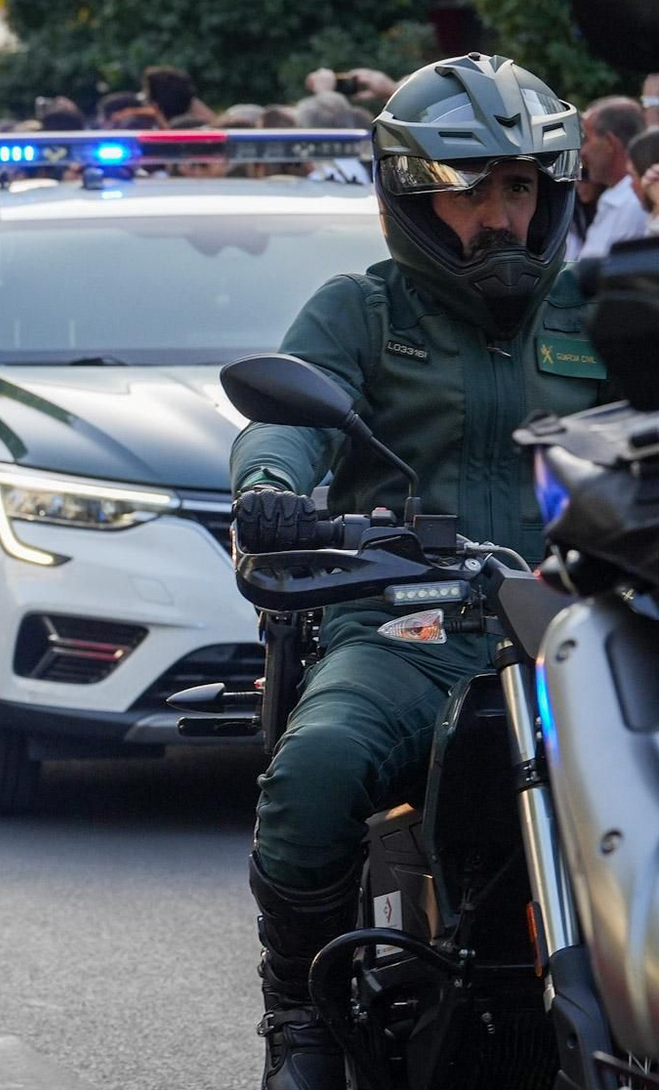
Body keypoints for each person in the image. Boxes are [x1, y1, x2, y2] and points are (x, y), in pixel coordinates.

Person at [228, 54, 607, 1090]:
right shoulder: (358, 310)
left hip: (584, 633)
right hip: (409, 627)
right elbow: (279, 431)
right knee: (312, 775)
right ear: (409, 196)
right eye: (468, 188)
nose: (497, 213)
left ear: (552, 192)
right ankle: (296, 1015)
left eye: (517, 187)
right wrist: (275, 494)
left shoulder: (603, 313)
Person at [570, 95, 648, 259]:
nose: (582, 152)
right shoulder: (618, 199)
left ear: (610, 143)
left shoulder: (633, 204)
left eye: (587, 140)